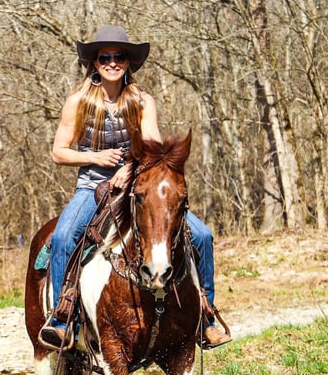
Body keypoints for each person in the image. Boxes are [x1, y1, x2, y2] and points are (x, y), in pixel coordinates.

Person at [39, 25, 231, 351]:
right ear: (95, 63)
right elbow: (59, 152)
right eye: (105, 57)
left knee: (201, 236)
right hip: (91, 188)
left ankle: (205, 313)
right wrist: (97, 157)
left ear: (128, 62)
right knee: (62, 236)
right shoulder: (78, 101)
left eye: (118, 57)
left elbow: (154, 149)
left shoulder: (142, 101)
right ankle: (63, 317)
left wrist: (129, 169)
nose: (112, 62)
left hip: (138, 187)